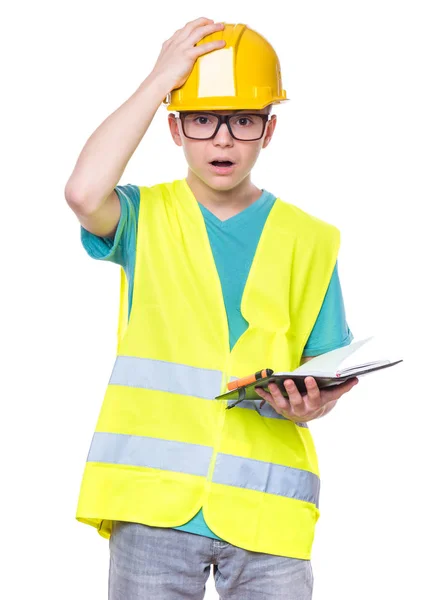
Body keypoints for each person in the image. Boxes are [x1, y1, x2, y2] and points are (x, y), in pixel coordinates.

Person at [65, 18, 358, 600]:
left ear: (268, 130)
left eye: (243, 120)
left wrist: (311, 405)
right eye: (202, 119)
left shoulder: (311, 238)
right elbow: (82, 194)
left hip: (267, 509)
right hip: (153, 507)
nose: (222, 139)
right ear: (175, 128)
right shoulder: (144, 217)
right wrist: (158, 80)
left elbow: (325, 368)